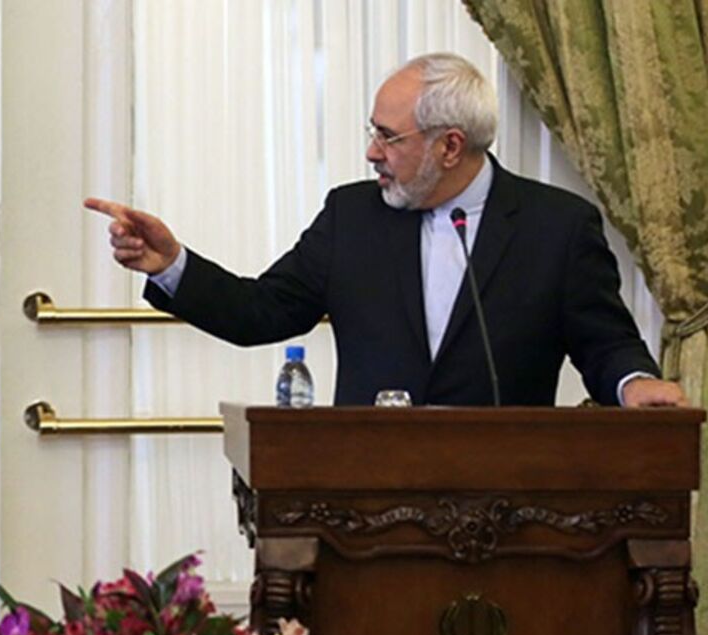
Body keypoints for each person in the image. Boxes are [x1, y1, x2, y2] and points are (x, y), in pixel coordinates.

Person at [87, 53, 685, 408]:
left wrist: (634, 384)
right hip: (367, 505)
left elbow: (604, 343)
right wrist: (171, 264)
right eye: (372, 130)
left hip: (508, 505)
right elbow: (259, 311)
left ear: (450, 146)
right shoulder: (351, 218)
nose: (372, 151)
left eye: (389, 137)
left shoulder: (556, 227)